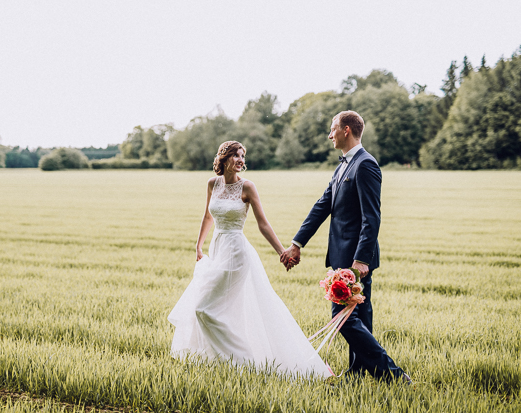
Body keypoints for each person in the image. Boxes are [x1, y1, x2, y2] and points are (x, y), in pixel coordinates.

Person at [168, 141, 332, 378]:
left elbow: (263, 224)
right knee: (221, 311)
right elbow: (207, 216)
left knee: (204, 309)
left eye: (243, 156)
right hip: (217, 249)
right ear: (224, 158)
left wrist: (281, 252)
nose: (241, 160)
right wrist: (198, 245)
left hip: (236, 254)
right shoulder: (212, 184)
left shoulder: (248, 187)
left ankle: (245, 363)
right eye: (237, 155)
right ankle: (225, 363)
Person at [280, 111, 411, 383]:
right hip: (342, 259)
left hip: (355, 262)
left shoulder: (365, 165)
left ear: (347, 130)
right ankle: (358, 373)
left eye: (333, 129)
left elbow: (371, 217)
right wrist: (297, 243)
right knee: (359, 317)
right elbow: (322, 206)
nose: (330, 135)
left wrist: (361, 259)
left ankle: (394, 376)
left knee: (344, 319)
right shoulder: (342, 167)